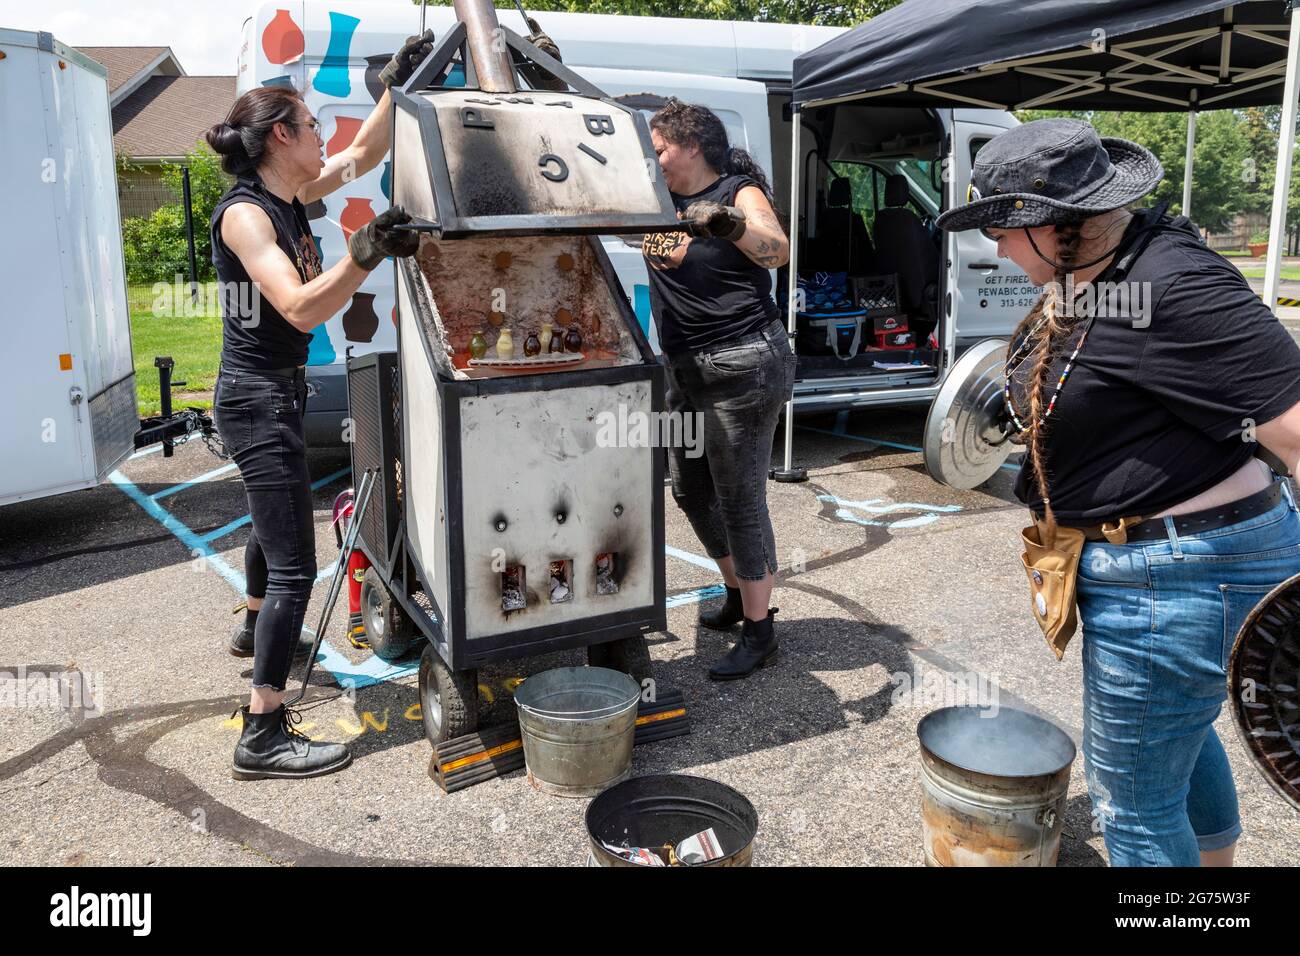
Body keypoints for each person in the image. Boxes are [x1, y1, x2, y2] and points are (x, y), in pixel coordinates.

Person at [937, 118, 1300, 866]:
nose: (996, 247)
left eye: (1004, 228)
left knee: (1131, 803)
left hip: (1182, 573)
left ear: (1058, 225)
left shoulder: (1172, 283)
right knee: (1179, 745)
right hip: (1169, 567)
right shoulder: (1101, 275)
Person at [205, 32, 434, 780]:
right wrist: (363, 251)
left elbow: (362, 157)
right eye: (311, 126)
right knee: (298, 566)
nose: (323, 138)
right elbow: (301, 307)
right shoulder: (249, 216)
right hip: (255, 399)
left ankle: (251, 626)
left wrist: (396, 86)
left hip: (275, 393)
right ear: (281, 135)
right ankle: (263, 728)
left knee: (272, 529)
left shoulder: (289, 193)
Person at [641, 98, 796, 680]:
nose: (652, 158)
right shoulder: (657, 201)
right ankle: (738, 591)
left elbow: (776, 249)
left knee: (739, 498)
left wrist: (728, 223)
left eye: (659, 148)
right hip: (682, 368)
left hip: (745, 364)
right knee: (688, 488)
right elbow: (668, 249)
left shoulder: (737, 191)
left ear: (692, 146)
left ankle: (761, 630)